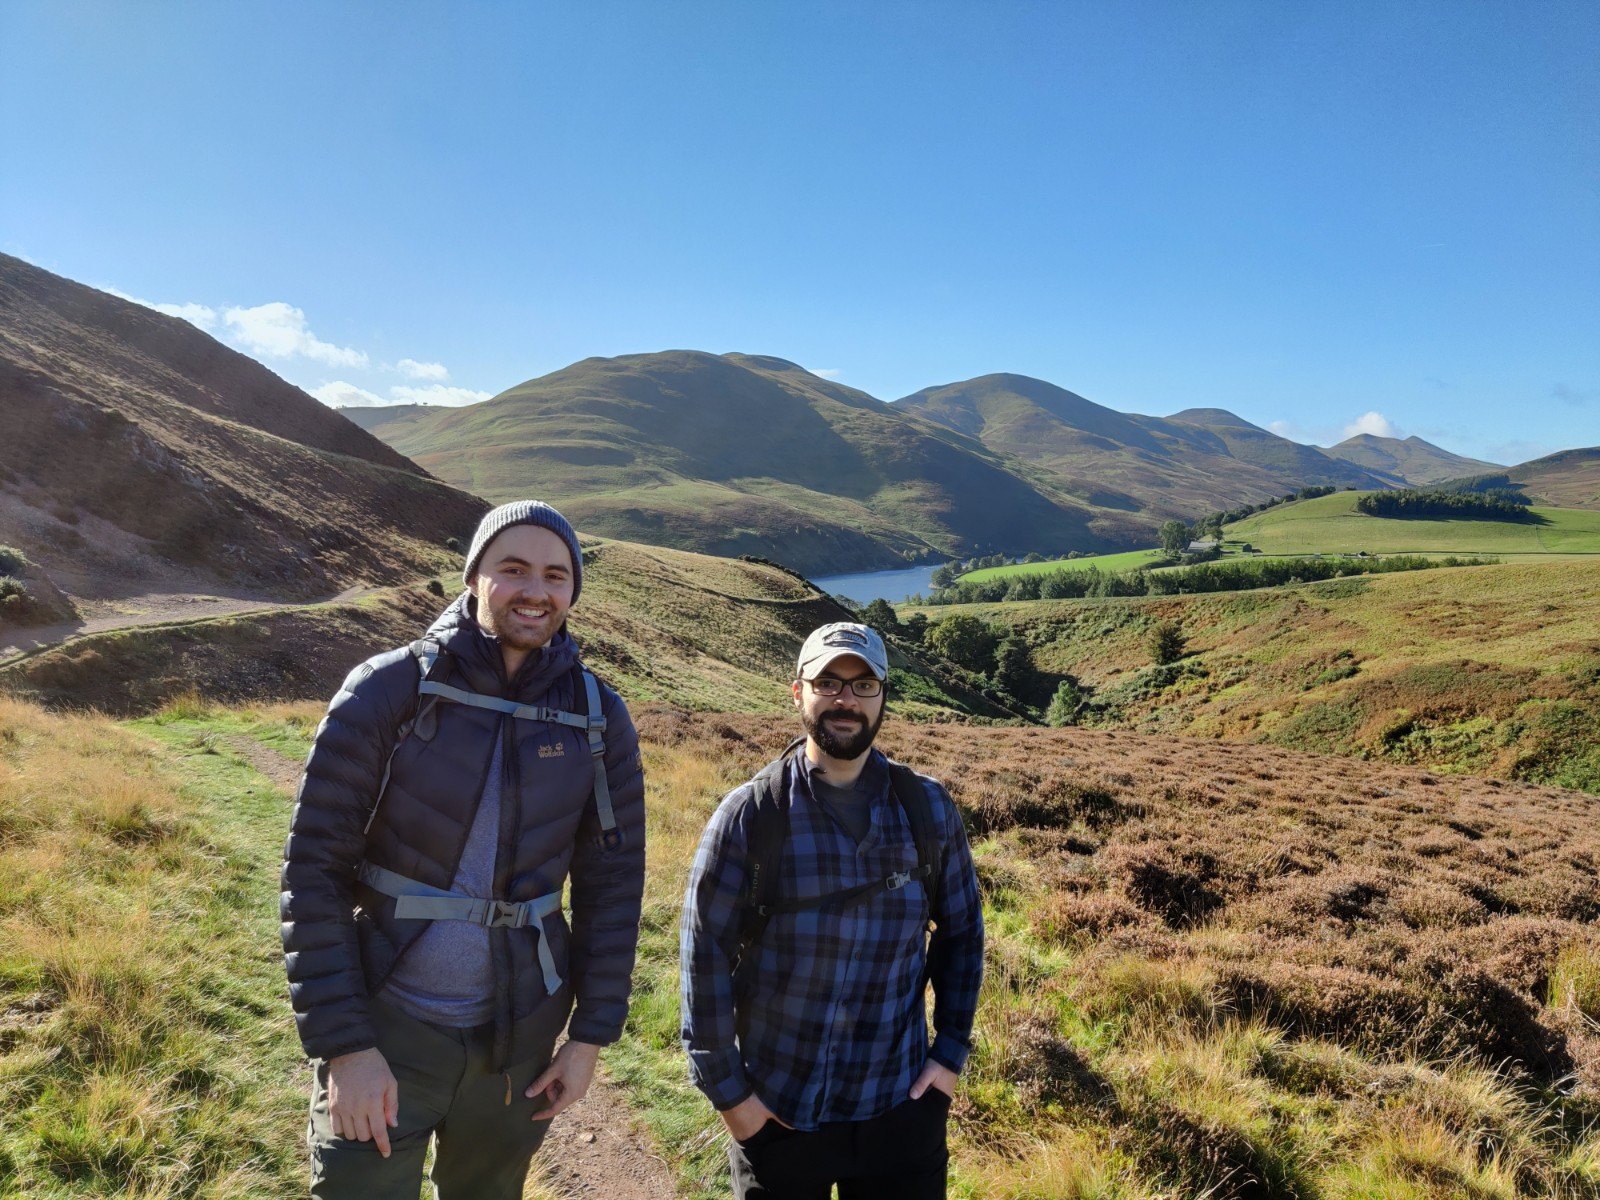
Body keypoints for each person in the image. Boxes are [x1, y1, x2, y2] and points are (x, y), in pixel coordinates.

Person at [280, 500, 646, 1200]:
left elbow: (613, 887)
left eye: (555, 575)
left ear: (572, 591)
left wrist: (589, 1036)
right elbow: (314, 873)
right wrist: (347, 1047)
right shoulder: (390, 690)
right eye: (513, 569)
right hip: (388, 1024)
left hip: (519, 1039)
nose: (535, 591)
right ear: (474, 575)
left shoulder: (598, 717)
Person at [680, 621, 984, 1199]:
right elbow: (703, 961)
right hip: (778, 1111)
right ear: (799, 691)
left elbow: (963, 933)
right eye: (829, 682)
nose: (846, 699)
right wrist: (734, 1101)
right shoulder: (750, 816)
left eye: (863, 684)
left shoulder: (928, 808)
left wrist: (947, 1057)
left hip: (899, 1105)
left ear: (883, 697)